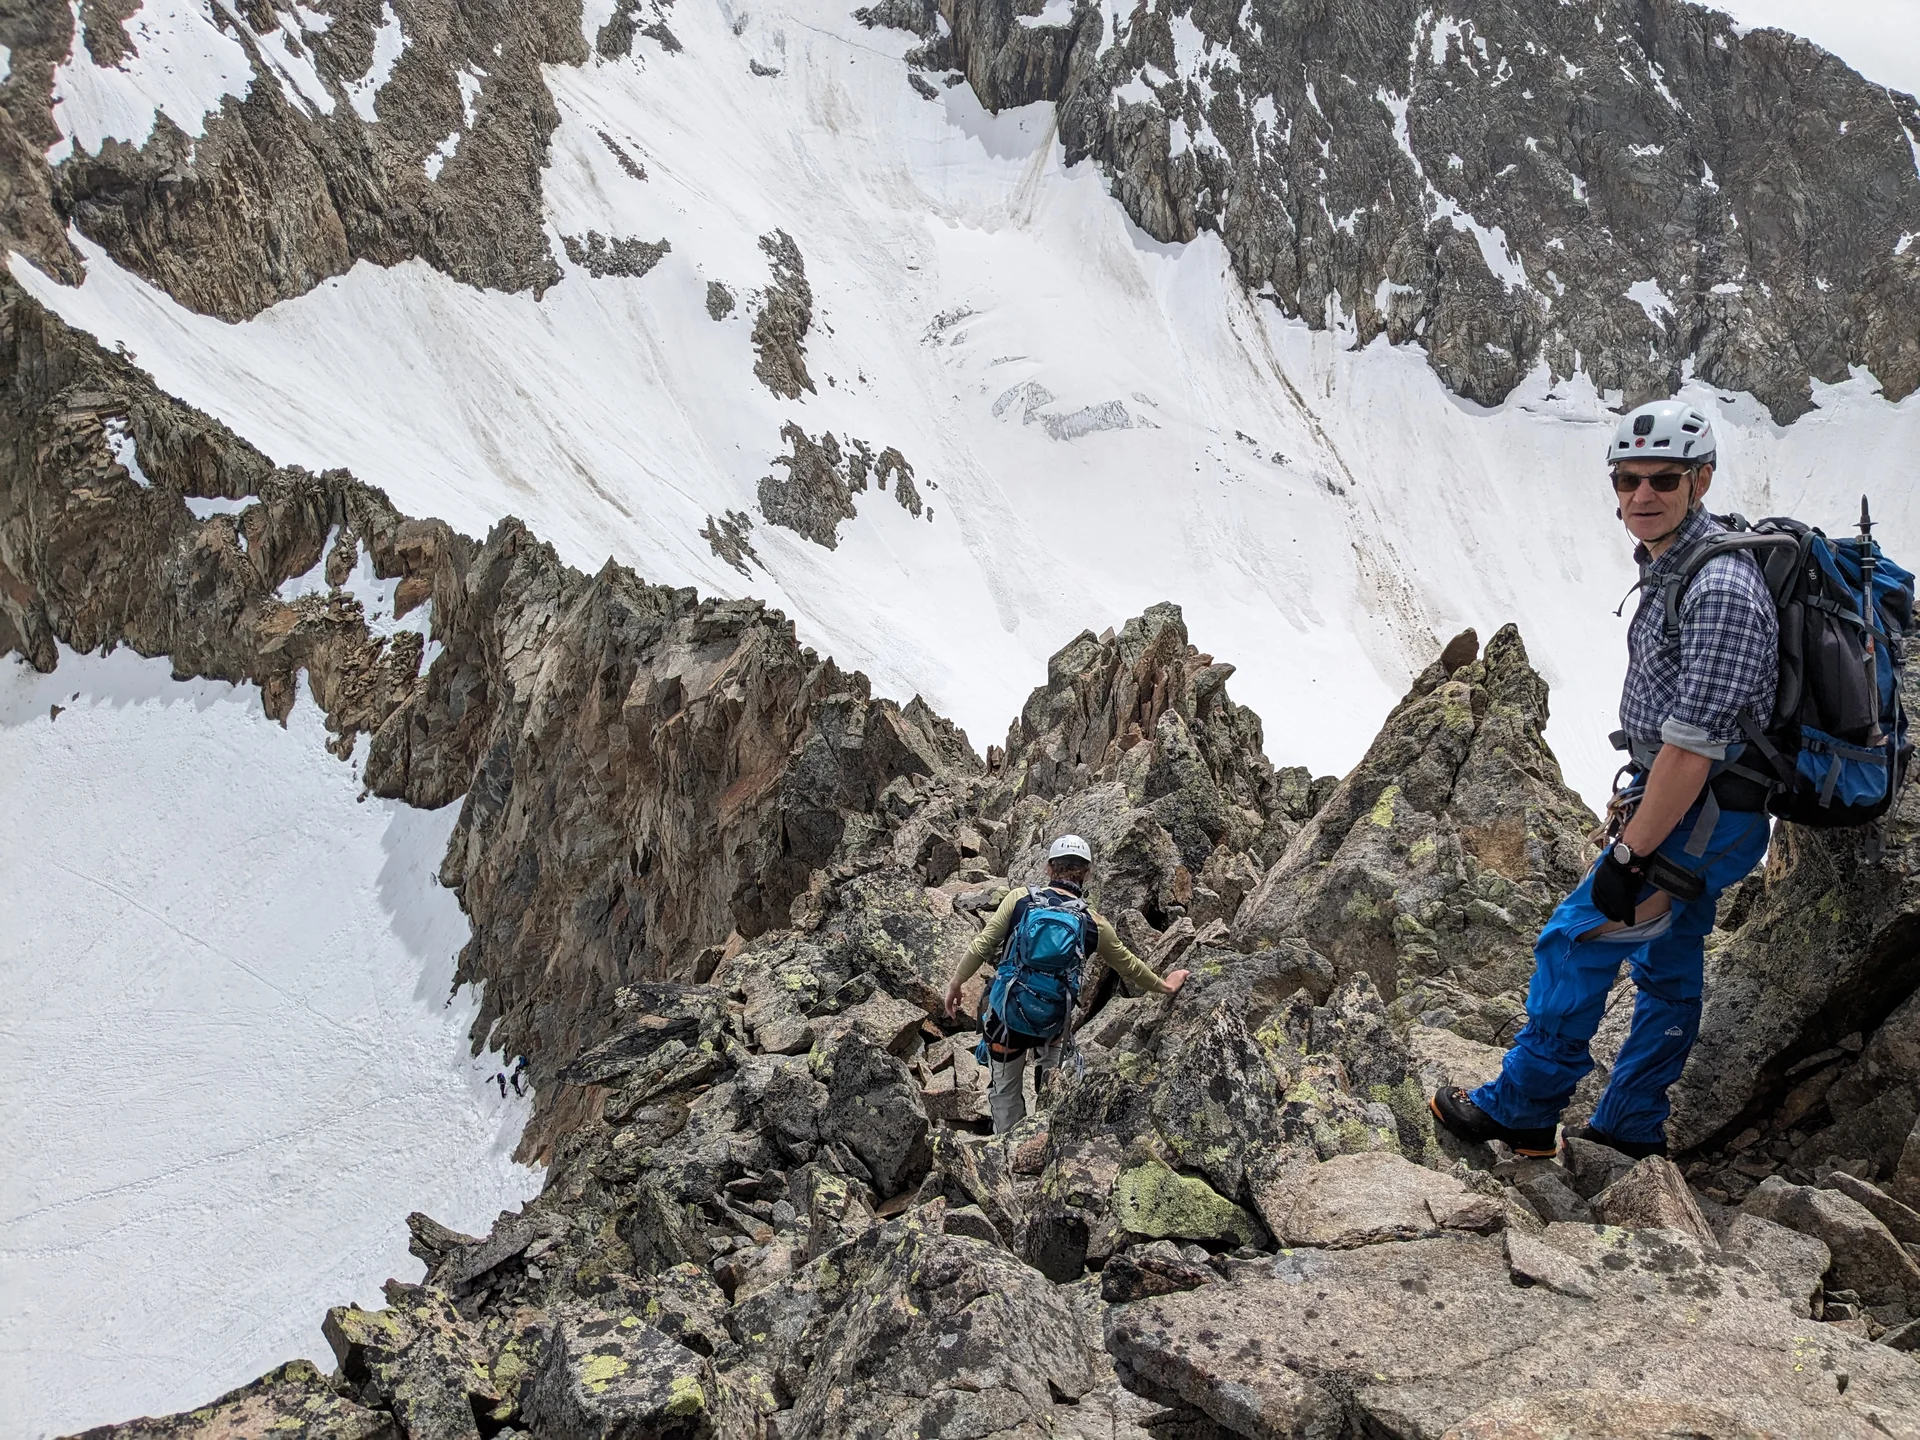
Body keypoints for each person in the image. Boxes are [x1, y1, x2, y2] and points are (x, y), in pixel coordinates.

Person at [1432, 398, 1777, 1159]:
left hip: (1702, 811)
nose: (1641, 496)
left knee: (1576, 938)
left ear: (1702, 480)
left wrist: (1632, 854)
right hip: (1700, 806)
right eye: (1627, 480)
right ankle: (1628, 1126)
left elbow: (1693, 748)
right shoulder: (1676, 567)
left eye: (1664, 479)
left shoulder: (1717, 588)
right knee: (1667, 961)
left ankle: (1524, 1105)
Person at [944, 834, 1190, 1133]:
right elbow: (1129, 966)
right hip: (1054, 1022)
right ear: (1087, 872)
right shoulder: (1093, 922)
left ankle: (1007, 1153)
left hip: (1006, 1018)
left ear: (1049, 868)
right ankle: (1042, 1144)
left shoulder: (1019, 900)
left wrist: (956, 983)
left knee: (1005, 1091)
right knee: (1053, 1092)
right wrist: (1165, 985)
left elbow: (983, 945)